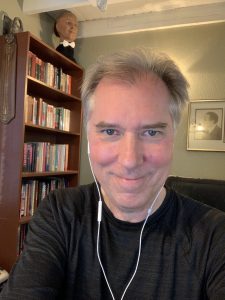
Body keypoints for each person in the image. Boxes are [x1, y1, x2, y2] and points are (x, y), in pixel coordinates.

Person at [1, 48, 225, 299]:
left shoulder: (215, 235)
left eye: (151, 132)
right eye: (110, 132)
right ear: (88, 142)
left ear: (172, 139)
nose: (130, 160)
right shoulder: (60, 213)